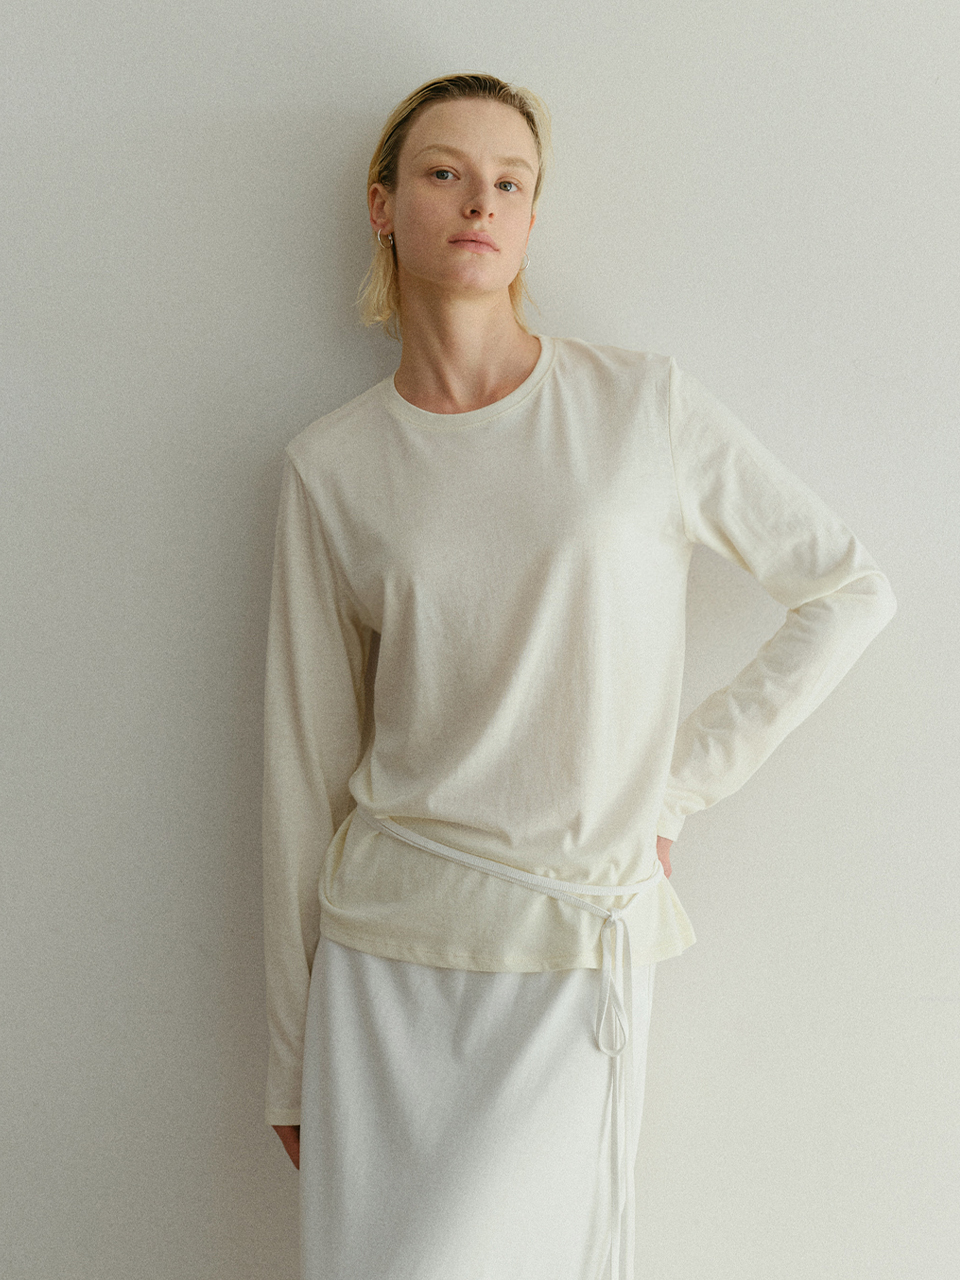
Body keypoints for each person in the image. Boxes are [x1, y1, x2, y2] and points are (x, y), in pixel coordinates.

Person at [262, 72, 895, 1280]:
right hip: (381, 965)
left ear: (533, 216)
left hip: (569, 956)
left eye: (512, 182)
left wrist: (676, 789)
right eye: (445, 172)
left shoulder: (640, 408)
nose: (480, 202)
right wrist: (291, 1056)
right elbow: (302, 771)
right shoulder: (331, 467)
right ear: (384, 204)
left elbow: (847, 590)